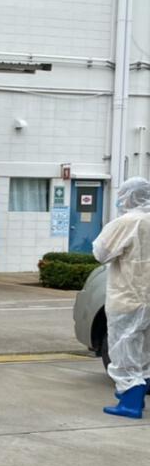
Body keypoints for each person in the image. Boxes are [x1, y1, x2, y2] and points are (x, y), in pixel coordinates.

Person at [92, 177, 150, 418]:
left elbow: (101, 253)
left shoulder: (126, 222)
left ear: (128, 196)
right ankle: (138, 392)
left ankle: (130, 403)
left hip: (128, 297)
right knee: (144, 349)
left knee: (123, 349)